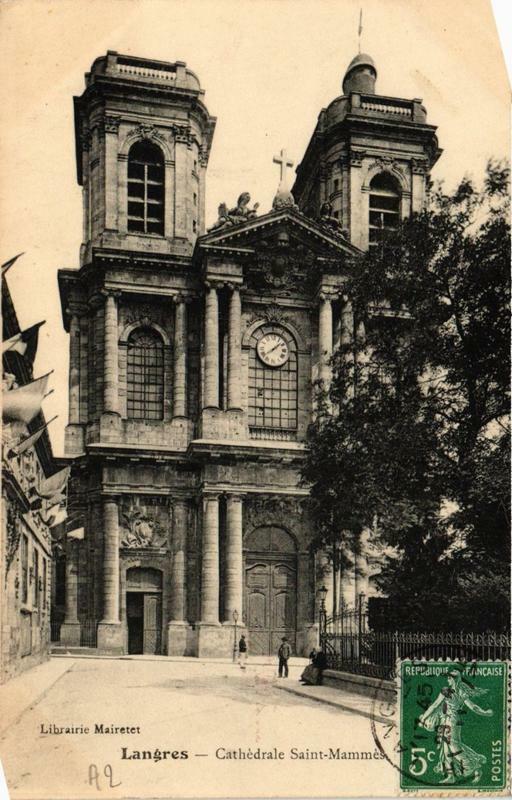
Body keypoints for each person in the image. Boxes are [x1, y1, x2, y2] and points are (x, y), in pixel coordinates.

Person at [418, 668, 493, 784]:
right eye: (448, 677)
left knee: (453, 746)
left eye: (450, 677)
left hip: (451, 722)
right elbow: (473, 707)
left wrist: (424, 717)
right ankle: (451, 775)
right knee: (446, 748)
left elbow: (435, 706)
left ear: (454, 679)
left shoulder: (448, 691)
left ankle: (471, 765)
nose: (448, 679)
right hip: (449, 721)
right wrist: (484, 712)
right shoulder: (458, 692)